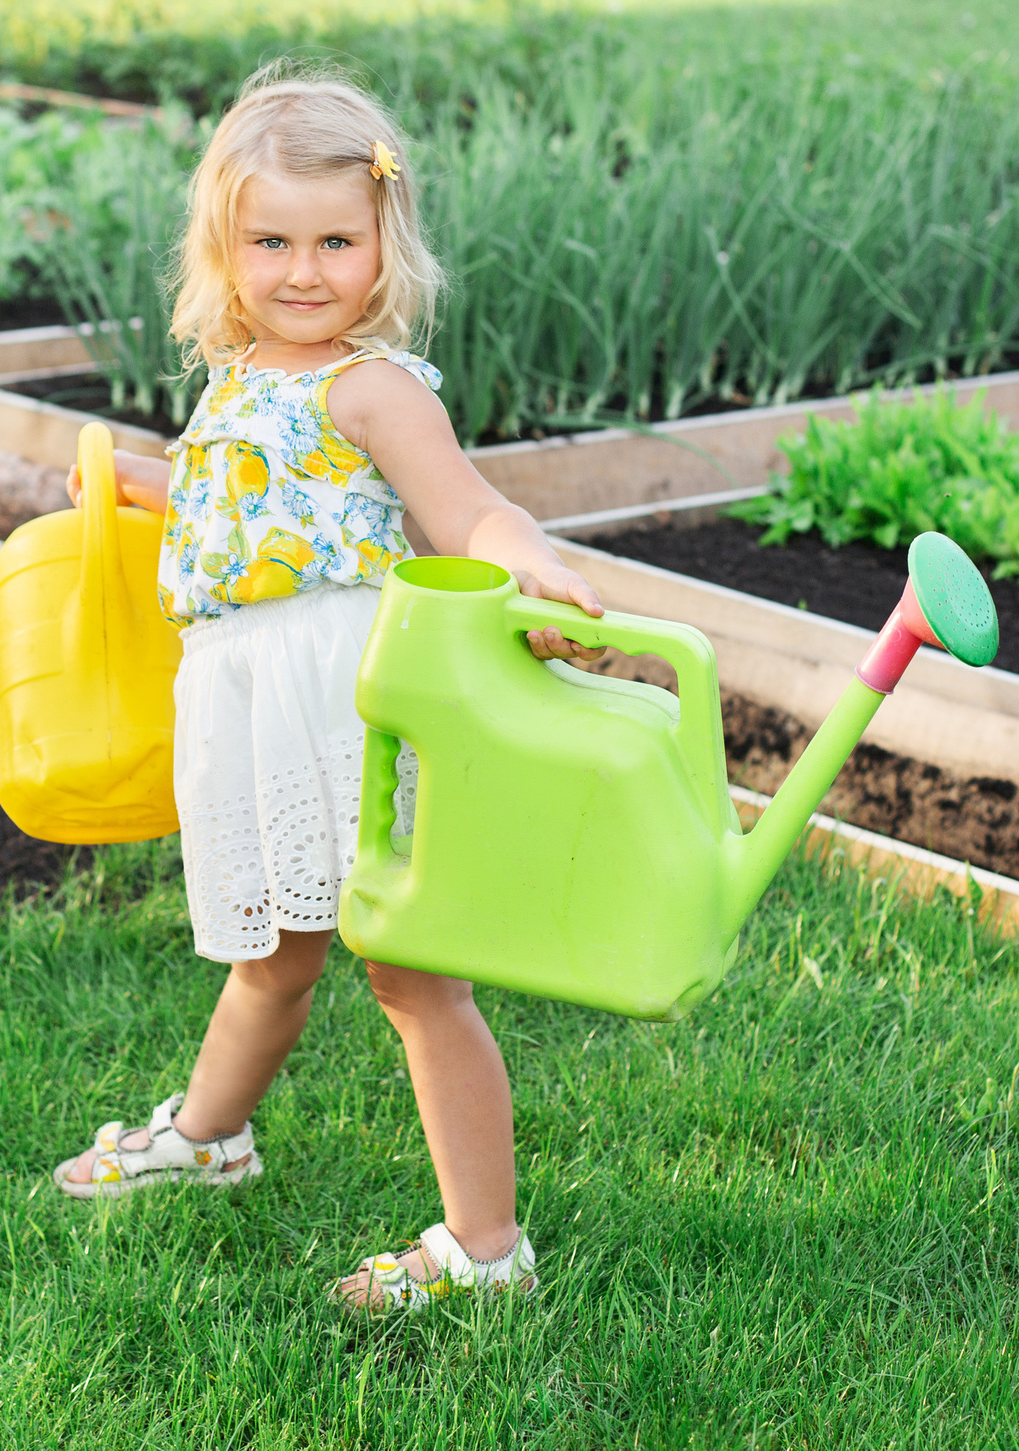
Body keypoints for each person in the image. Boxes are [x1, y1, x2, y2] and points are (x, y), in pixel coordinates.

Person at [52, 65, 608, 1313]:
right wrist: (144, 486)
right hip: (249, 706)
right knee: (274, 949)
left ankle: (485, 1249)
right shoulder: (243, 375)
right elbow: (261, 503)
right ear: (224, 246)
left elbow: (466, 508)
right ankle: (210, 1138)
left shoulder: (370, 385)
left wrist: (532, 564)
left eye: (335, 244)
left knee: (413, 974)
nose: (304, 272)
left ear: (381, 245)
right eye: (272, 243)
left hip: (341, 707)